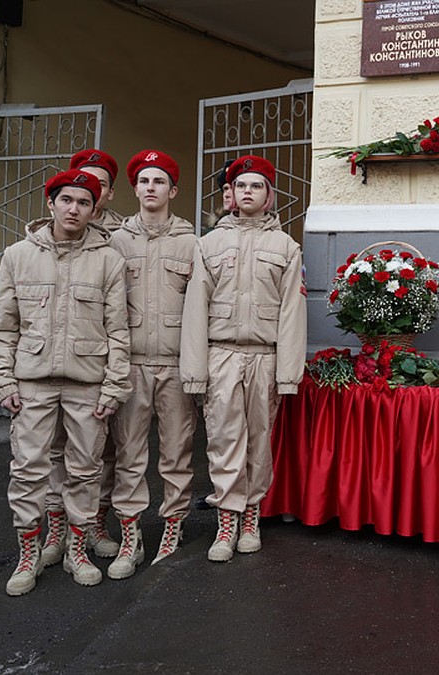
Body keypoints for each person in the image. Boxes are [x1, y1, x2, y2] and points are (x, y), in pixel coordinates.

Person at [0, 169, 131, 595]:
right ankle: (28, 553)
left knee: (85, 470)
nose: (74, 209)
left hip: (88, 383)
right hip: (31, 383)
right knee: (29, 470)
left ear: (94, 208)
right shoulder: (18, 255)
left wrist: (113, 386)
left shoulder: (108, 258)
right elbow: (1, 325)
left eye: (84, 202)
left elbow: (118, 330)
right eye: (67, 200)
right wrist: (2, 380)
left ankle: (77, 549)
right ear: (50, 203)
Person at [181, 154, 307, 563]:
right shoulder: (209, 245)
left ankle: (251, 515)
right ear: (229, 195)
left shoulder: (286, 247)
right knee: (223, 440)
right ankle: (227, 519)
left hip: (264, 358)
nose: (248, 192)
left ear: (270, 197)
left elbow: (292, 313)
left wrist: (288, 375)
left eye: (257, 186)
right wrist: (195, 372)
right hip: (222, 356)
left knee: (258, 441)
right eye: (241, 186)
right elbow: (195, 311)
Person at [105, 150, 199, 578]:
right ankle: (130, 536)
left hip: (177, 366)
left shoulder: (192, 243)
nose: (150, 188)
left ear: (172, 190)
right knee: (128, 454)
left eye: (158, 181)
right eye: (143, 181)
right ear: (135, 189)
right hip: (132, 365)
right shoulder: (116, 242)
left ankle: (172, 527)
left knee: (177, 453)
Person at [39, 149, 126, 566]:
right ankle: (58, 528)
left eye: (98, 184)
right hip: (54, 366)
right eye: (78, 183)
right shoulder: (43, 241)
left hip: (98, 365)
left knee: (100, 454)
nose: (84, 196)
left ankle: (94, 523)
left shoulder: (120, 240)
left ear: (106, 194)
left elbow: (121, 317)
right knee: (54, 452)